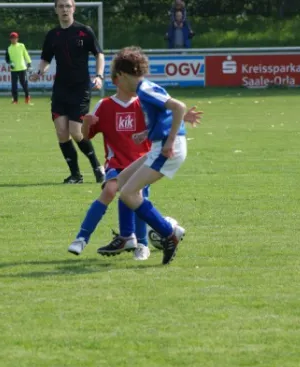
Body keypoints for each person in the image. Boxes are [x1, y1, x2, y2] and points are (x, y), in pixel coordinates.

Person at [67, 66, 202, 261]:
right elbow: (86, 135)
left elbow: (169, 112)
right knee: (113, 190)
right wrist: (87, 123)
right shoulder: (105, 105)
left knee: (133, 194)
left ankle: (143, 243)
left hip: (148, 155)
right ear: (118, 80)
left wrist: (180, 121)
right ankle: (87, 238)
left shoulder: (143, 98)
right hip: (116, 162)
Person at [105, 46, 194, 265]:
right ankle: (128, 237)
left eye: (117, 78)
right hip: (159, 145)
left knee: (127, 193)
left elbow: (178, 107)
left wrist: (170, 140)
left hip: (167, 148)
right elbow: (165, 114)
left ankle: (167, 232)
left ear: (124, 75)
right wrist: (147, 133)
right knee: (121, 181)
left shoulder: (144, 89)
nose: (118, 84)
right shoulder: (146, 89)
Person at [31, 0, 105, 184]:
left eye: (68, 6)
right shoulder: (53, 35)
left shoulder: (84, 31)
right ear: (56, 9)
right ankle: (76, 175)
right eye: (61, 6)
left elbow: (99, 54)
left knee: (76, 132)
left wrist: (99, 76)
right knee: (62, 132)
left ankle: (97, 166)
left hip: (80, 88)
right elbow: (45, 59)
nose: (64, 9)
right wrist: (39, 71)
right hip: (60, 89)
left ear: (74, 8)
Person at [5, 32, 32, 104]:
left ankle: (27, 97)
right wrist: (10, 63)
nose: (13, 40)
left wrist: (29, 63)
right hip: (13, 69)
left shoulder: (21, 46)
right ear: (10, 39)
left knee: (23, 83)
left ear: (17, 39)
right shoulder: (9, 48)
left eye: (15, 38)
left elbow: (26, 54)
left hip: (22, 68)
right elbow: (7, 59)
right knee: (14, 85)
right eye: (12, 38)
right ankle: (15, 100)